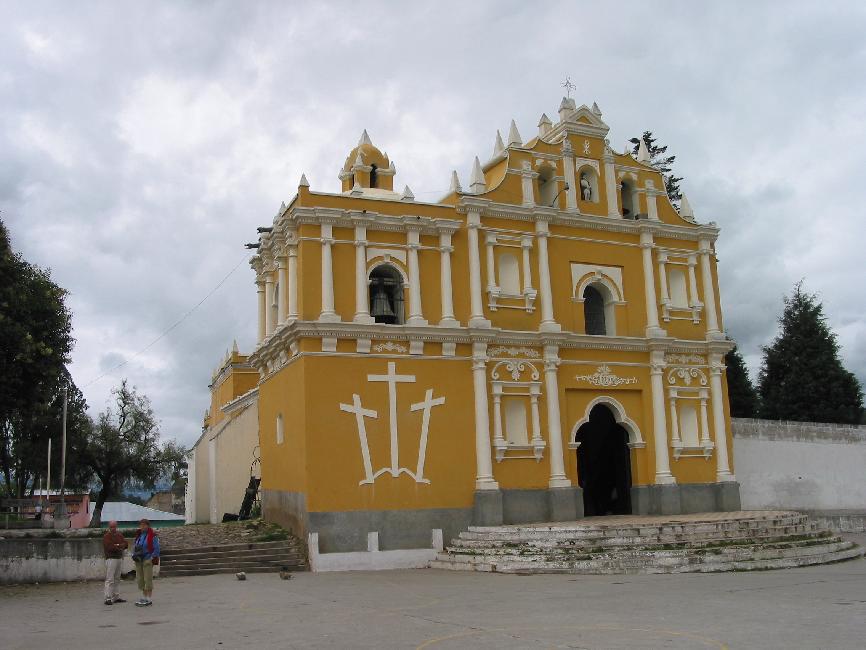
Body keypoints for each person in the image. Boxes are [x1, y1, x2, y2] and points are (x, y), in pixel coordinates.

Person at [132, 518, 160, 607]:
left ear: (148, 526)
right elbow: (135, 546)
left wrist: (152, 558)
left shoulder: (152, 535)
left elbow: (156, 548)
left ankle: (149, 598)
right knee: (140, 579)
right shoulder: (139, 535)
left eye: (144, 525)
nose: (142, 527)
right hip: (139, 560)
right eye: (141, 525)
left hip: (147, 559)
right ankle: (144, 597)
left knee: (148, 579)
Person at [103, 520, 129, 605]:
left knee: (117, 578)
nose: (113, 528)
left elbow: (125, 544)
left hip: (119, 558)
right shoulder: (107, 536)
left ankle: (116, 596)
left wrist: (118, 545)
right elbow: (110, 547)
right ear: (109, 527)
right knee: (110, 579)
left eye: (114, 526)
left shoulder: (119, 535)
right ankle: (108, 597)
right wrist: (120, 546)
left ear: (116, 526)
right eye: (111, 527)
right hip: (111, 558)